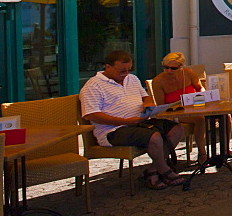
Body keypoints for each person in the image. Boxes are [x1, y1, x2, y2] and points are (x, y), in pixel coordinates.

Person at [80, 50, 185, 190]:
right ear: (108, 67)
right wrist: (126, 121)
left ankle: (153, 170)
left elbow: (145, 97)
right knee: (155, 137)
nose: (126, 73)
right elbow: (91, 115)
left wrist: (148, 106)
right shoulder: (93, 86)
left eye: (129, 69)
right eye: (121, 70)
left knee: (176, 129)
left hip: (139, 122)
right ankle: (165, 171)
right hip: (113, 130)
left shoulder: (132, 79)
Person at [151, 52, 207, 164]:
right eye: (166, 67)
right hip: (173, 113)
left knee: (225, 116)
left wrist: (199, 97)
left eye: (173, 68)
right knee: (200, 119)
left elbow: (200, 88)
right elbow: (161, 107)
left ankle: (226, 151)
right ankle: (202, 153)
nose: (168, 71)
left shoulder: (189, 74)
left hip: (194, 107)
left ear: (181, 67)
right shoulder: (158, 81)